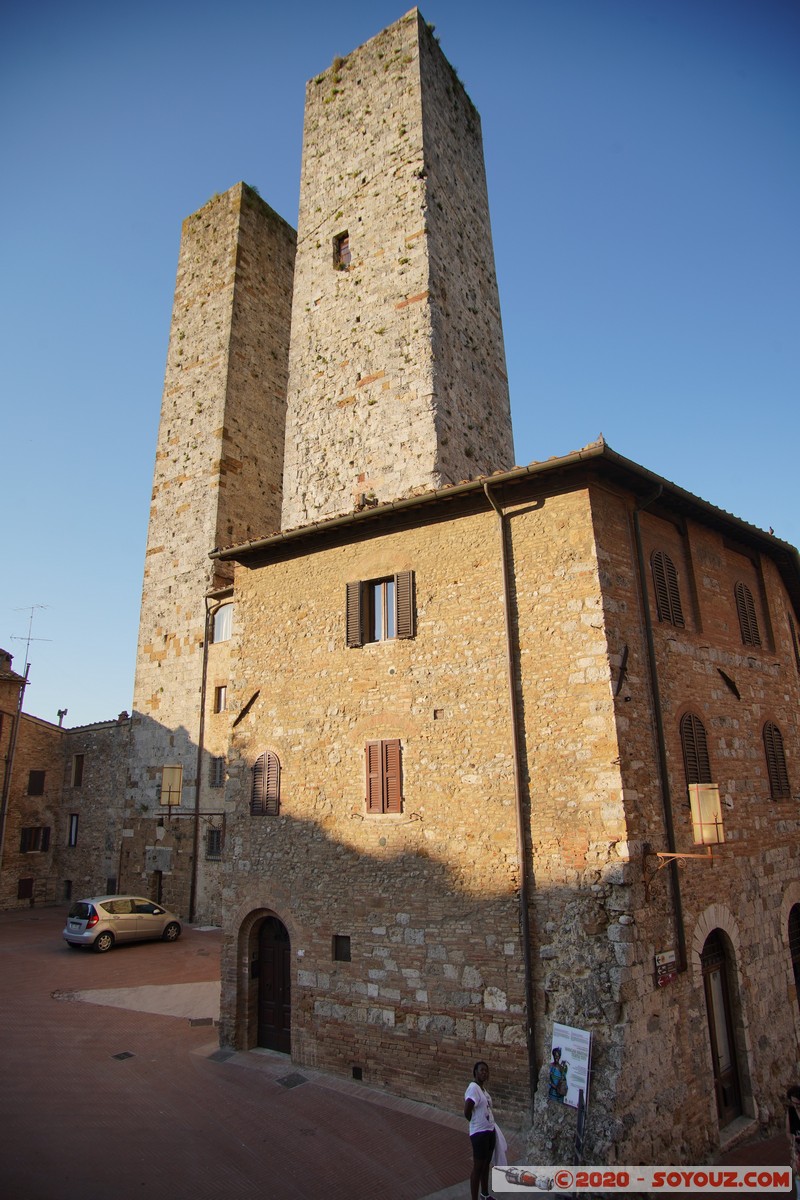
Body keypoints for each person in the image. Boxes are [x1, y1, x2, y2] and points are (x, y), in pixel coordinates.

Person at [464, 1060, 496, 1200]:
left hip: (490, 1131)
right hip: (479, 1134)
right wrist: (476, 1121)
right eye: (481, 1070)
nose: (484, 1073)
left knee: (486, 1165)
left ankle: (485, 1194)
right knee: (478, 1167)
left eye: (486, 1071)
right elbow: (467, 1111)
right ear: (475, 1072)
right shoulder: (473, 1088)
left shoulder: (483, 1090)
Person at [787, 1085, 800, 1200]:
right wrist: (793, 1152)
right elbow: (788, 1131)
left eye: (798, 1104)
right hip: (798, 1149)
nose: (795, 1106)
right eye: (793, 1103)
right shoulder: (791, 1111)